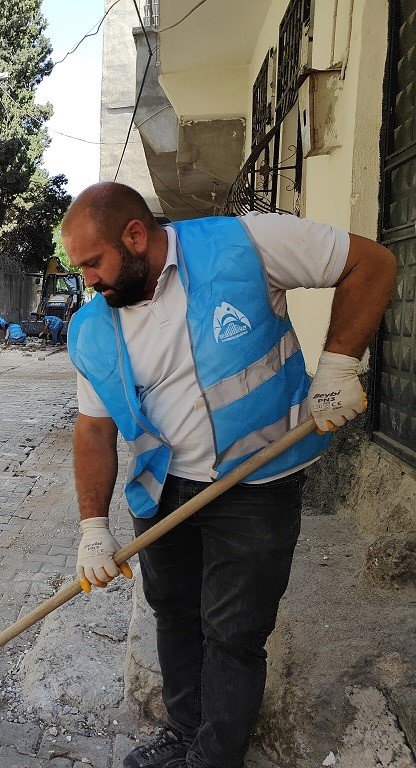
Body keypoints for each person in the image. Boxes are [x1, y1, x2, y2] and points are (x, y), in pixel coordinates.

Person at [62, 183, 395, 768]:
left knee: (233, 633)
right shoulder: (92, 328)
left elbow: (373, 263)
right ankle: (184, 732)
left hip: (257, 485)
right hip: (162, 491)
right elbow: (93, 430)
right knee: (174, 615)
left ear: (135, 237)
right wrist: (93, 527)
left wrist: (339, 365)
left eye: (94, 262)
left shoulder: (247, 243)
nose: (88, 279)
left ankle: (215, 758)